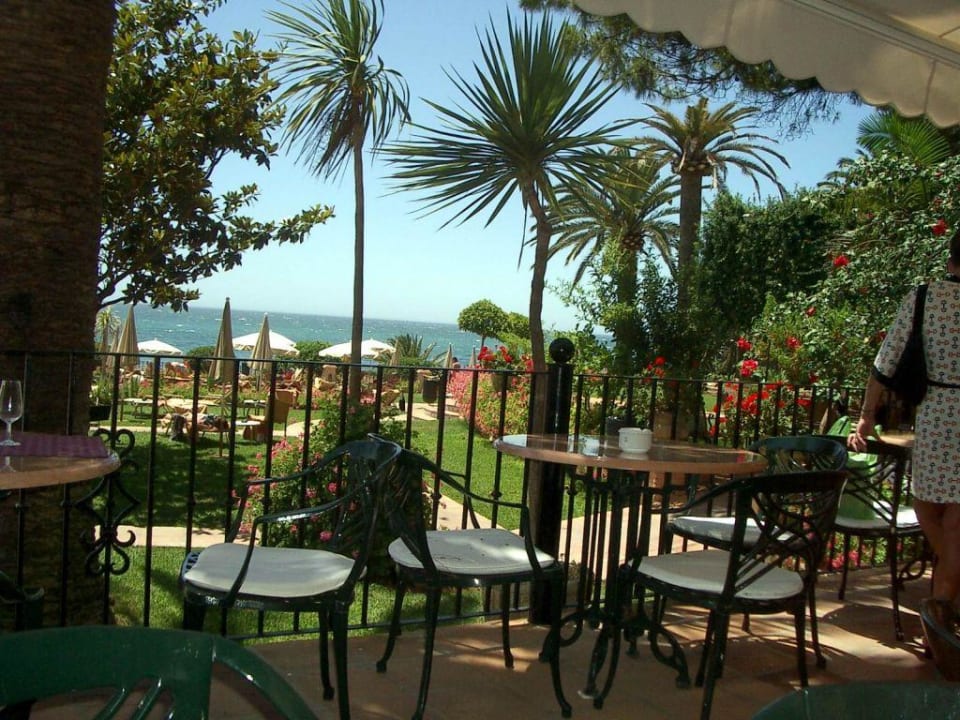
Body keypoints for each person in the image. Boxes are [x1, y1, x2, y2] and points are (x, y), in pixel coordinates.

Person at [850, 228, 960, 612]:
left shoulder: (925, 298)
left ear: (951, 259)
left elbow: (884, 365)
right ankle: (946, 603)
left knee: (928, 505)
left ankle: (941, 613)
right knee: (955, 524)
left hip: (938, 412)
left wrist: (865, 418)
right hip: (941, 409)